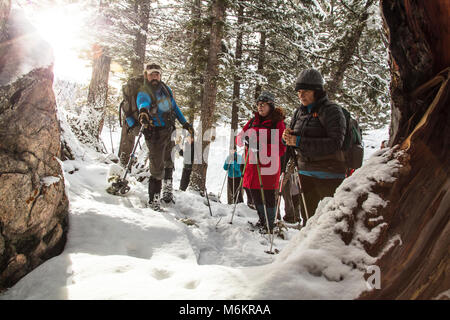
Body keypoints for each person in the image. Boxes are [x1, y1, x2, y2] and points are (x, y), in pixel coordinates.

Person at [282, 68, 346, 225]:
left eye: (306, 91)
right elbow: (293, 142)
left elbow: (335, 143)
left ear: (317, 91)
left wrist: (298, 141)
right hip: (305, 173)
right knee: (308, 221)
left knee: (329, 224)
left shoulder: (332, 111)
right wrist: (287, 139)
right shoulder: (299, 113)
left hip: (329, 175)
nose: (301, 95)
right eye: (299, 91)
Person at [137, 63, 194, 211]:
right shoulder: (144, 91)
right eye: (151, 74)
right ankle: (153, 200)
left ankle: (167, 191)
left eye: (157, 74)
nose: (154, 77)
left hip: (169, 131)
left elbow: (175, 107)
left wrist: (185, 123)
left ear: (160, 75)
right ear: (146, 76)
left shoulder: (165, 89)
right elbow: (143, 102)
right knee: (157, 167)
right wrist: (143, 111)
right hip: (154, 134)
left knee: (169, 161)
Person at [236, 91, 286, 232]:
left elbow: (281, 148)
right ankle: (262, 220)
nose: (260, 107)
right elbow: (239, 138)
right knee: (255, 194)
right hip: (252, 167)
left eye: (263, 104)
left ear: (271, 105)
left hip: (268, 167)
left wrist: (262, 147)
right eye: (258, 104)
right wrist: (243, 139)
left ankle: (270, 224)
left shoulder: (278, 123)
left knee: (268, 196)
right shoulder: (253, 121)